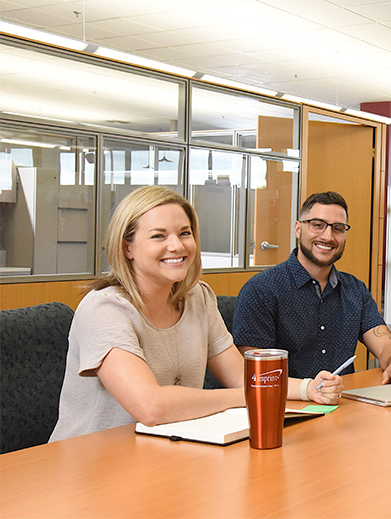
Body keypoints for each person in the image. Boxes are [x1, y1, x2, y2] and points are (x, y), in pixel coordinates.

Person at [50, 186, 247, 442]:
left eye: (184, 233)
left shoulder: (198, 297)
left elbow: (243, 378)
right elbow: (151, 407)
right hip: (91, 465)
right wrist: (248, 396)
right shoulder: (104, 309)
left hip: (167, 451)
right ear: (127, 249)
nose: (176, 245)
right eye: (158, 236)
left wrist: (307, 388)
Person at [233, 191, 391, 404]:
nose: (328, 237)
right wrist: (307, 390)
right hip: (285, 408)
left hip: (343, 406)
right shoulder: (261, 290)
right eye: (317, 224)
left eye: (338, 228)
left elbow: (387, 345)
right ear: (298, 228)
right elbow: (258, 375)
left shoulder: (355, 290)